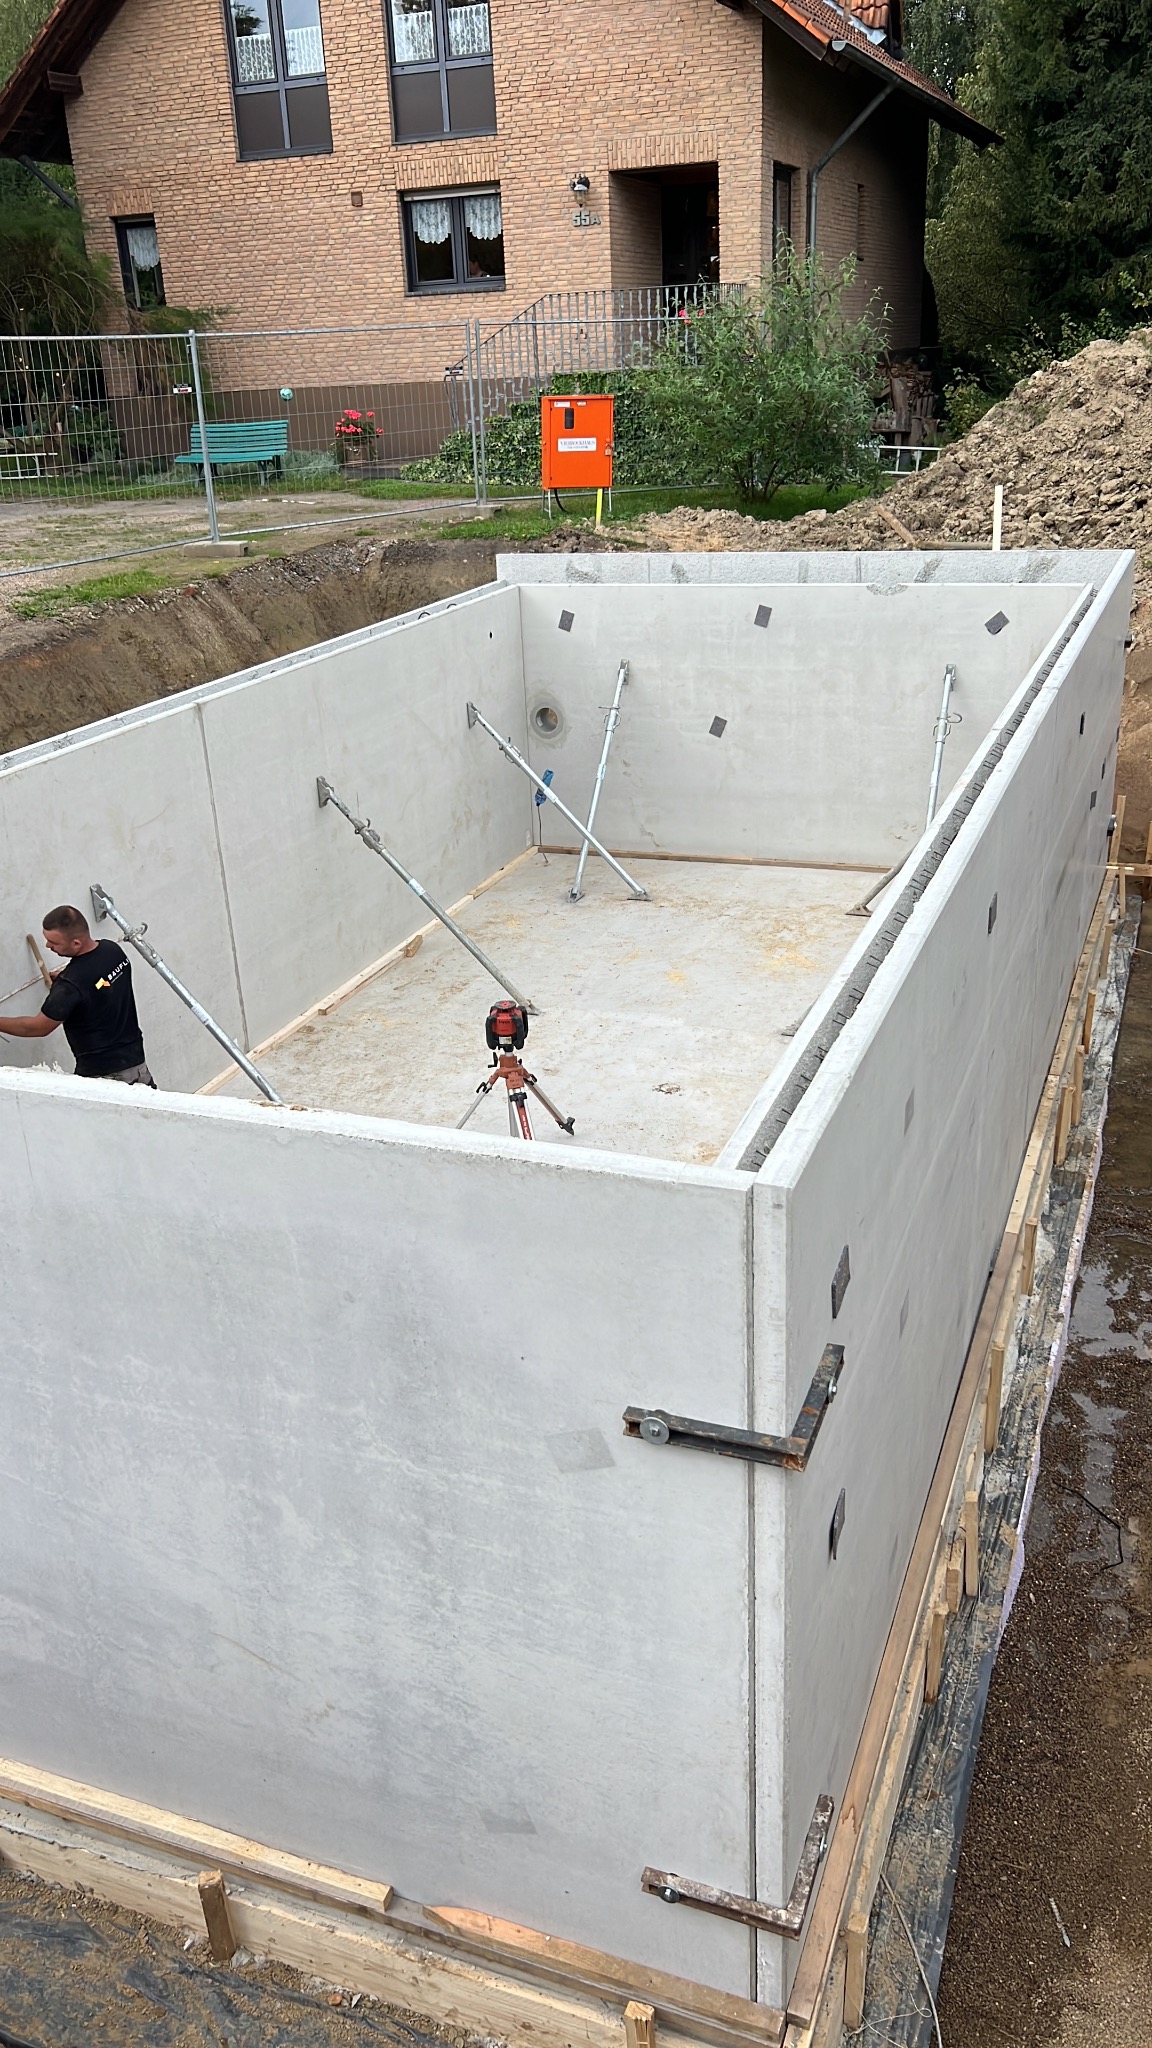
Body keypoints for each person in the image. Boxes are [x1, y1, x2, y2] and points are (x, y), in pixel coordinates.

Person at [0, 904, 155, 1086]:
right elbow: (98, 980)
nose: (48, 946)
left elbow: (37, 1027)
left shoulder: (70, 986)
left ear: (76, 944)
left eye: (54, 942)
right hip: (137, 1064)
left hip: (105, 1076)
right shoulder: (111, 950)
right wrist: (67, 980)